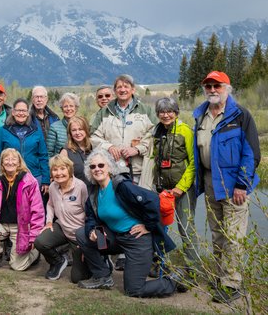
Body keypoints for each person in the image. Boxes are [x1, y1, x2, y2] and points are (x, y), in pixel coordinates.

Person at [75, 149, 185, 297]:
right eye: (92, 167)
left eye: (101, 165)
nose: (97, 169)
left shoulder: (121, 186)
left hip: (137, 239)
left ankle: (173, 280)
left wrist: (148, 225)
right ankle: (102, 277)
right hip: (115, 237)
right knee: (82, 234)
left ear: (109, 167)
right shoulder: (94, 192)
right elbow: (90, 218)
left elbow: (152, 200)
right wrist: (91, 231)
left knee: (134, 289)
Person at [193, 71, 260, 304]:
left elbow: (251, 153)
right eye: (208, 86)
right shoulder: (200, 115)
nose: (212, 90)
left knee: (233, 236)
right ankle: (221, 276)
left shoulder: (241, 115)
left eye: (217, 86)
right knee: (218, 234)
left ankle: (232, 284)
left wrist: (243, 184)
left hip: (234, 185)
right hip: (210, 182)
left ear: (227, 88)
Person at [90, 74, 156, 270]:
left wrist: (137, 149)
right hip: (115, 170)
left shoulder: (145, 110)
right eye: (119, 86)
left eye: (126, 86)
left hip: (138, 169)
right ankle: (120, 253)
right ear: (115, 90)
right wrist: (109, 146)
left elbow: (153, 135)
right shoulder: (105, 112)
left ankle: (145, 254)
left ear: (133, 90)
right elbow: (94, 136)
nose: (123, 89)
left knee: (140, 209)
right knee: (118, 208)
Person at [0, 148, 45, 270]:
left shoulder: (30, 181)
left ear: (19, 162)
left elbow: (38, 210)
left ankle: (35, 254)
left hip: (21, 226)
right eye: (7, 159)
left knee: (17, 266)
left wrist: (34, 236)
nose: (10, 162)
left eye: (13, 159)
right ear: (2, 163)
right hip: (1, 224)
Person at [153, 97, 197, 267]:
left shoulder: (185, 131)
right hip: (162, 189)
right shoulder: (156, 131)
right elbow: (154, 158)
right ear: (157, 114)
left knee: (186, 229)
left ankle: (191, 270)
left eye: (170, 111)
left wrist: (181, 187)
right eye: (162, 112)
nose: (166, 115)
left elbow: (194, 163)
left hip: (182, 190)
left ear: (176, 113)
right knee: (159, 228)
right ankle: (160, 263)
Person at [34, 155, 90, 282]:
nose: (59, 173)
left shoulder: (80, 186)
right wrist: (49, 221)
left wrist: (85, 238)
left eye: (62, 169)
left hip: (79, 234)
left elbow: (89, 213)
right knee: (40, 241)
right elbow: (50, 204)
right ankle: (58, 261)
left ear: (69, 169)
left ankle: (100, 259)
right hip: (62, 228)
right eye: (55, 169)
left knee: (78, 278)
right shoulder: (53, 186)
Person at [0, 98, 50, 195]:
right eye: (18, 110)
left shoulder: (36, 131)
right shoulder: (3, 131)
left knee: (35, 207)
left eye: (24, 111)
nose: (21, 113)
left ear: (28, 113)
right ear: (13, 112)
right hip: (10, 177)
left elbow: (43, 156)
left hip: (34, 175)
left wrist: (46, 179)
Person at [60, 116, 93, 188]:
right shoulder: (65, 152)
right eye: (74, 130)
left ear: (86, 130)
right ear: (70, 133)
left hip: (95, 192)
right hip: (76, 193)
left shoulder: (94, 147)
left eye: (80, 129)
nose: (77, 133)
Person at [46, 92, 80, 157]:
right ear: (62, 109)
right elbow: (49, 153)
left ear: (76, 108)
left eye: (71, 106)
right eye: (65, 106)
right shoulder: (54, 127)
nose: (68, 109)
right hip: (61, 165)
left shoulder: (82, 126)